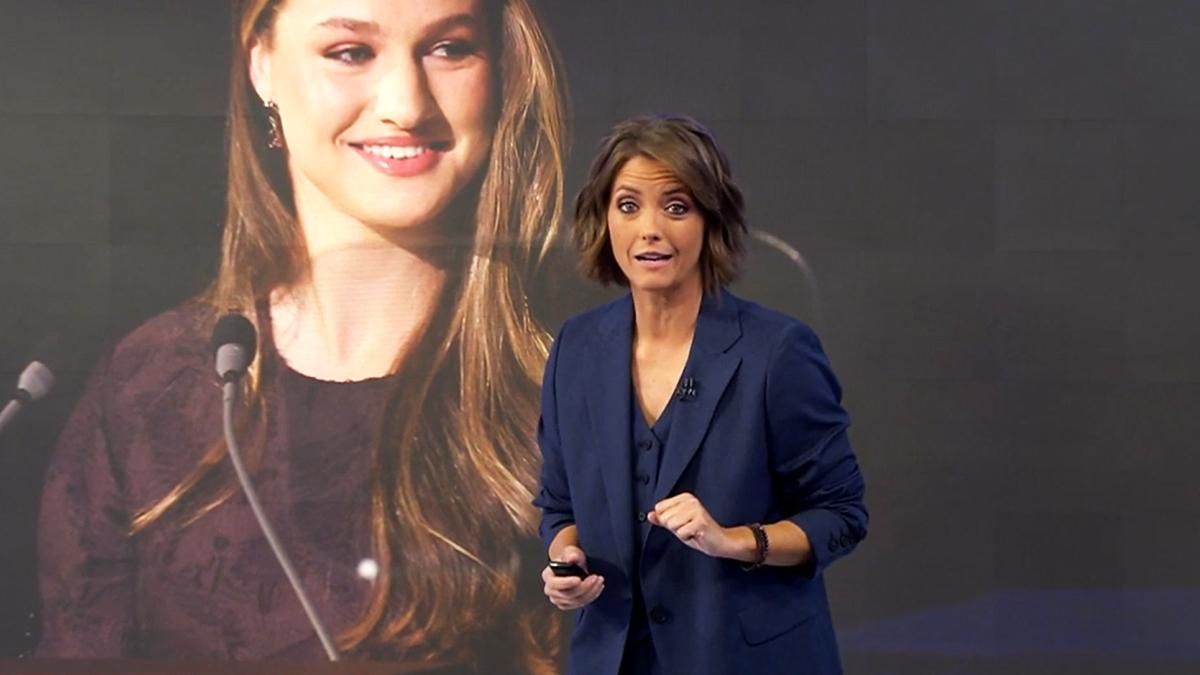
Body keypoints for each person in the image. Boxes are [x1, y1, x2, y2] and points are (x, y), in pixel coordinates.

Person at [36, 0, 567, 671]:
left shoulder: (584, 390)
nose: (406, 104)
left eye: (449, 48)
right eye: (350, 52)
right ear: (262, 65)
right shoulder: (150, 387)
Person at [534, 116, 868, 675]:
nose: (649, 230)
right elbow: (559, 506)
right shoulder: (576, 347)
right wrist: (566, 561)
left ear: (711, 221)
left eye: (676, 206)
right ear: (603, 219)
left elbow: (841, 515)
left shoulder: (777, 351)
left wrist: (733, 541)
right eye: (628, 206)